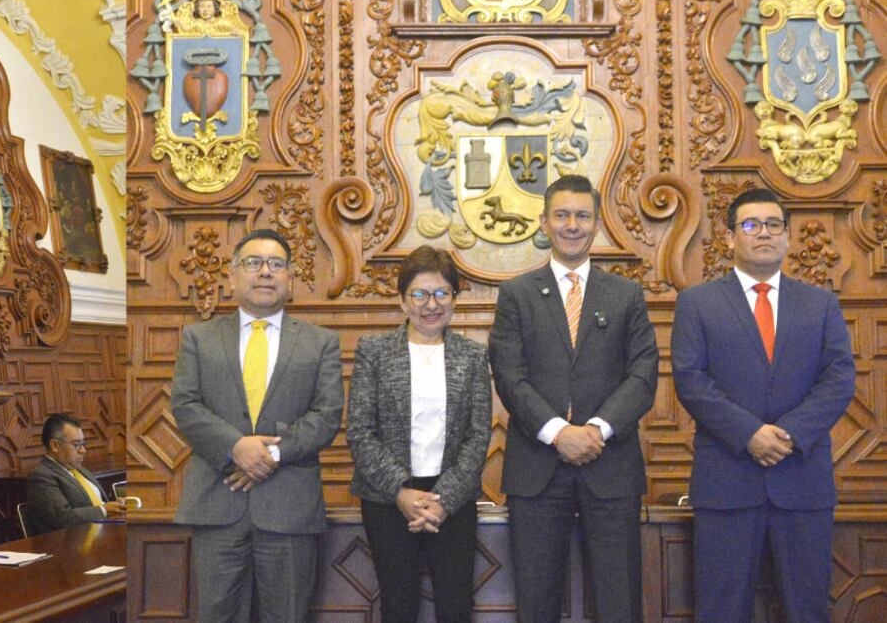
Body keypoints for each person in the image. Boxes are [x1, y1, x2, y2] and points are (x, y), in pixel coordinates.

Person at [672, 188, 854, 622]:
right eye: (751, 225)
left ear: (788, 237)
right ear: (731, 237)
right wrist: (749, 435)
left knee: (807, 609)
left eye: (774, 225)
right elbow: (691, 380)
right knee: (721, 609)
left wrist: (788, 435)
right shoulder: (698, 303)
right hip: (727, 482)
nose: (764, 234)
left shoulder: (821, 303)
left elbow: (838, 379)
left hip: (802, 481)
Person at [488, 174, 659, 622]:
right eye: (562, 215)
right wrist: (558, 433)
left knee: (618, 601)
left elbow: (643, 376)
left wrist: (595, 431)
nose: (572, 224)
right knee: (537, 600)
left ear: (597, 224)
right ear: (544, 222)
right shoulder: (516, 295)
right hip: (537, 468)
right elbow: (509, 375)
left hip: (611, 466)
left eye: (582, 215)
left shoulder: (626, 294)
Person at [171, 228, 343, 622]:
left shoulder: (320, 342)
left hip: (289, 509)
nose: (265, 272)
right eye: (253, 263)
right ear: (232, 276)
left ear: (290, 278)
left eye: (276, 264)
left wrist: (269, 455)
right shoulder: (198, 338)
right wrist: (236, 448)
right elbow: (185, 404)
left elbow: (327, 415)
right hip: (217, 504)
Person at [346, 245, 492, 623]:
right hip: (387, 500)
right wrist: (401, 491)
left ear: (455, 299)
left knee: (456, 606)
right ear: (402, 300)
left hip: (452, 501)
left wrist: (444, 499)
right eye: (421, 294)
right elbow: (360, 431)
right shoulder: (374, 352)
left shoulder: (472, 356)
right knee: (398, 605)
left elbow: (478, 437)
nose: (432, 304)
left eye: (443, 293)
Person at [25, 413, 127, 535]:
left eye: (83, 444)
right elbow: (63, 519)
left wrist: (117, 505)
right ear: (55, 446)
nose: (83, 450)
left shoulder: (81, 470)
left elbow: (97, 503)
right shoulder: (41, 476)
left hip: (105, 534)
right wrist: (104, 510)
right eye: (76, 444)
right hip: (73, 545)